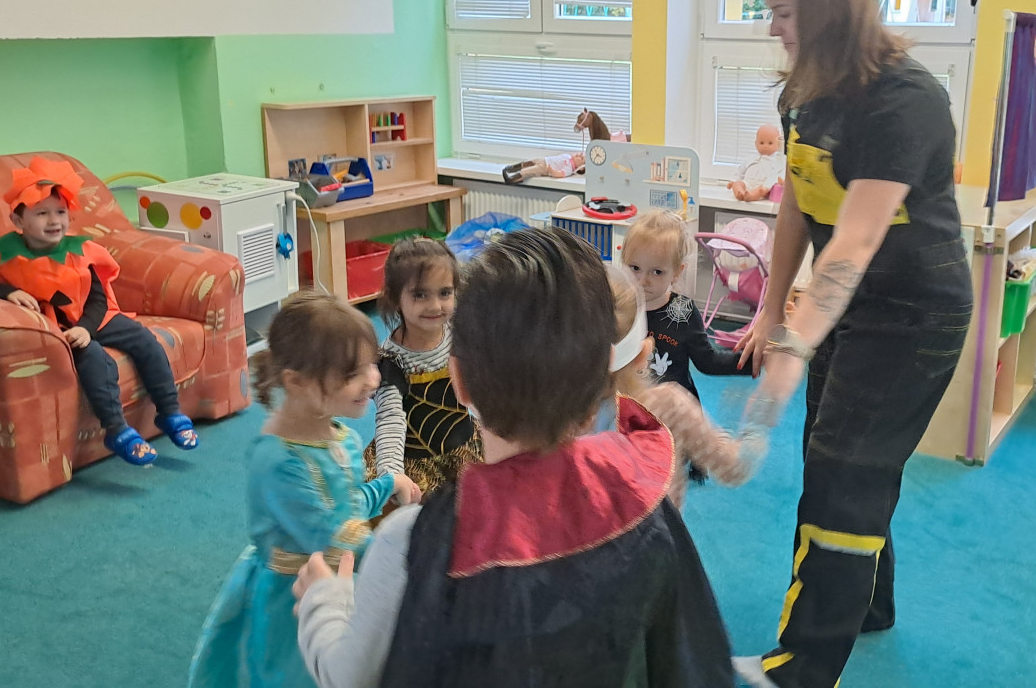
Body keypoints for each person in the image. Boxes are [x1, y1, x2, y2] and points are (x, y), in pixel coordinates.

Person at [292, 228, 734, 687]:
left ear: (459, 381)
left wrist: (326, 602)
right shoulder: (643, 499)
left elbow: (349, 675)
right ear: (601, 384)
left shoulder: (411, 541)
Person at [731, 0, 974, 688]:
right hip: (845, 308)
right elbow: (797, 204)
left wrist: (795, 346)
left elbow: (857, 238)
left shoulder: (906, 101)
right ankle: (867, 603)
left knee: (844, 472)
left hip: (914, 312)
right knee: (839, 457)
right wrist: (772, 311)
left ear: (828, 9)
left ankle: (802, 669)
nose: (772, 28)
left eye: (782, 13)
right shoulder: (805, 91)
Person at [189, 290, 421, 688]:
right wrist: (404, 557)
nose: (373, 379)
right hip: (293, 598)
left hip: (333, 579)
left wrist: (386, 484)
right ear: (297, 382)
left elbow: (345, 503)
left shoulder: (338, 434)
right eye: (351, 375)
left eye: (371, 364)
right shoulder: (278, 461)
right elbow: (333, 535)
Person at [0, 156, 196, 466]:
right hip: (57, 329)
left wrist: (86, 327)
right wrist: (8, 291)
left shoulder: (82, 250)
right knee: (93, 357)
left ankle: (170, 412)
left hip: (94, 318)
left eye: (60, 212)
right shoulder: (3, 253)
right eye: (41, 213)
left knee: (145, 341)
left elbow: (97, 298)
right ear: (18, 221)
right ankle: (117, 430)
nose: (53, 221)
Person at [602, 266, 771, 508]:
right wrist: (758, 421)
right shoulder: (667, 406)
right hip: (658, 531)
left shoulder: (557, 419)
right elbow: (733, 468)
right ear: (644, 352)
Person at [361, 237, 480, 494]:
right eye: (420, 295)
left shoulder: (458, 334)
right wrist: (393, 474)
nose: (435, 306)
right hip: (415, 461)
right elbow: (390, 419)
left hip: (464, 445)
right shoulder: (390, 361)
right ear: (395, 298)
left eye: (445, 293)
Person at [623, 210, 753, 401]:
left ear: (676, 273)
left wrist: (753, 360)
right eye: (635, 268)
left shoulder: (683, 311)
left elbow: (708, 362)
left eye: (657, 272)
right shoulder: (619, 306)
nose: (643, 280)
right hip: (631, 408)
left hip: (674, 411)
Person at [728, 124, 786, 202]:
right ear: (756, 144)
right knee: (738, 184)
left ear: (778, 144)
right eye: (761, 143)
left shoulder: (778, 160)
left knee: (763, 190)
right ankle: (740, 193)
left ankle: (751, 196)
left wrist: (782, 180)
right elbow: (740, 170)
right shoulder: (750, 158)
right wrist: (733, 180)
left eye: (770, 143)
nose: (765, 146)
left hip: (763, 186)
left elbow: (781, 172)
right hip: (748, 183)